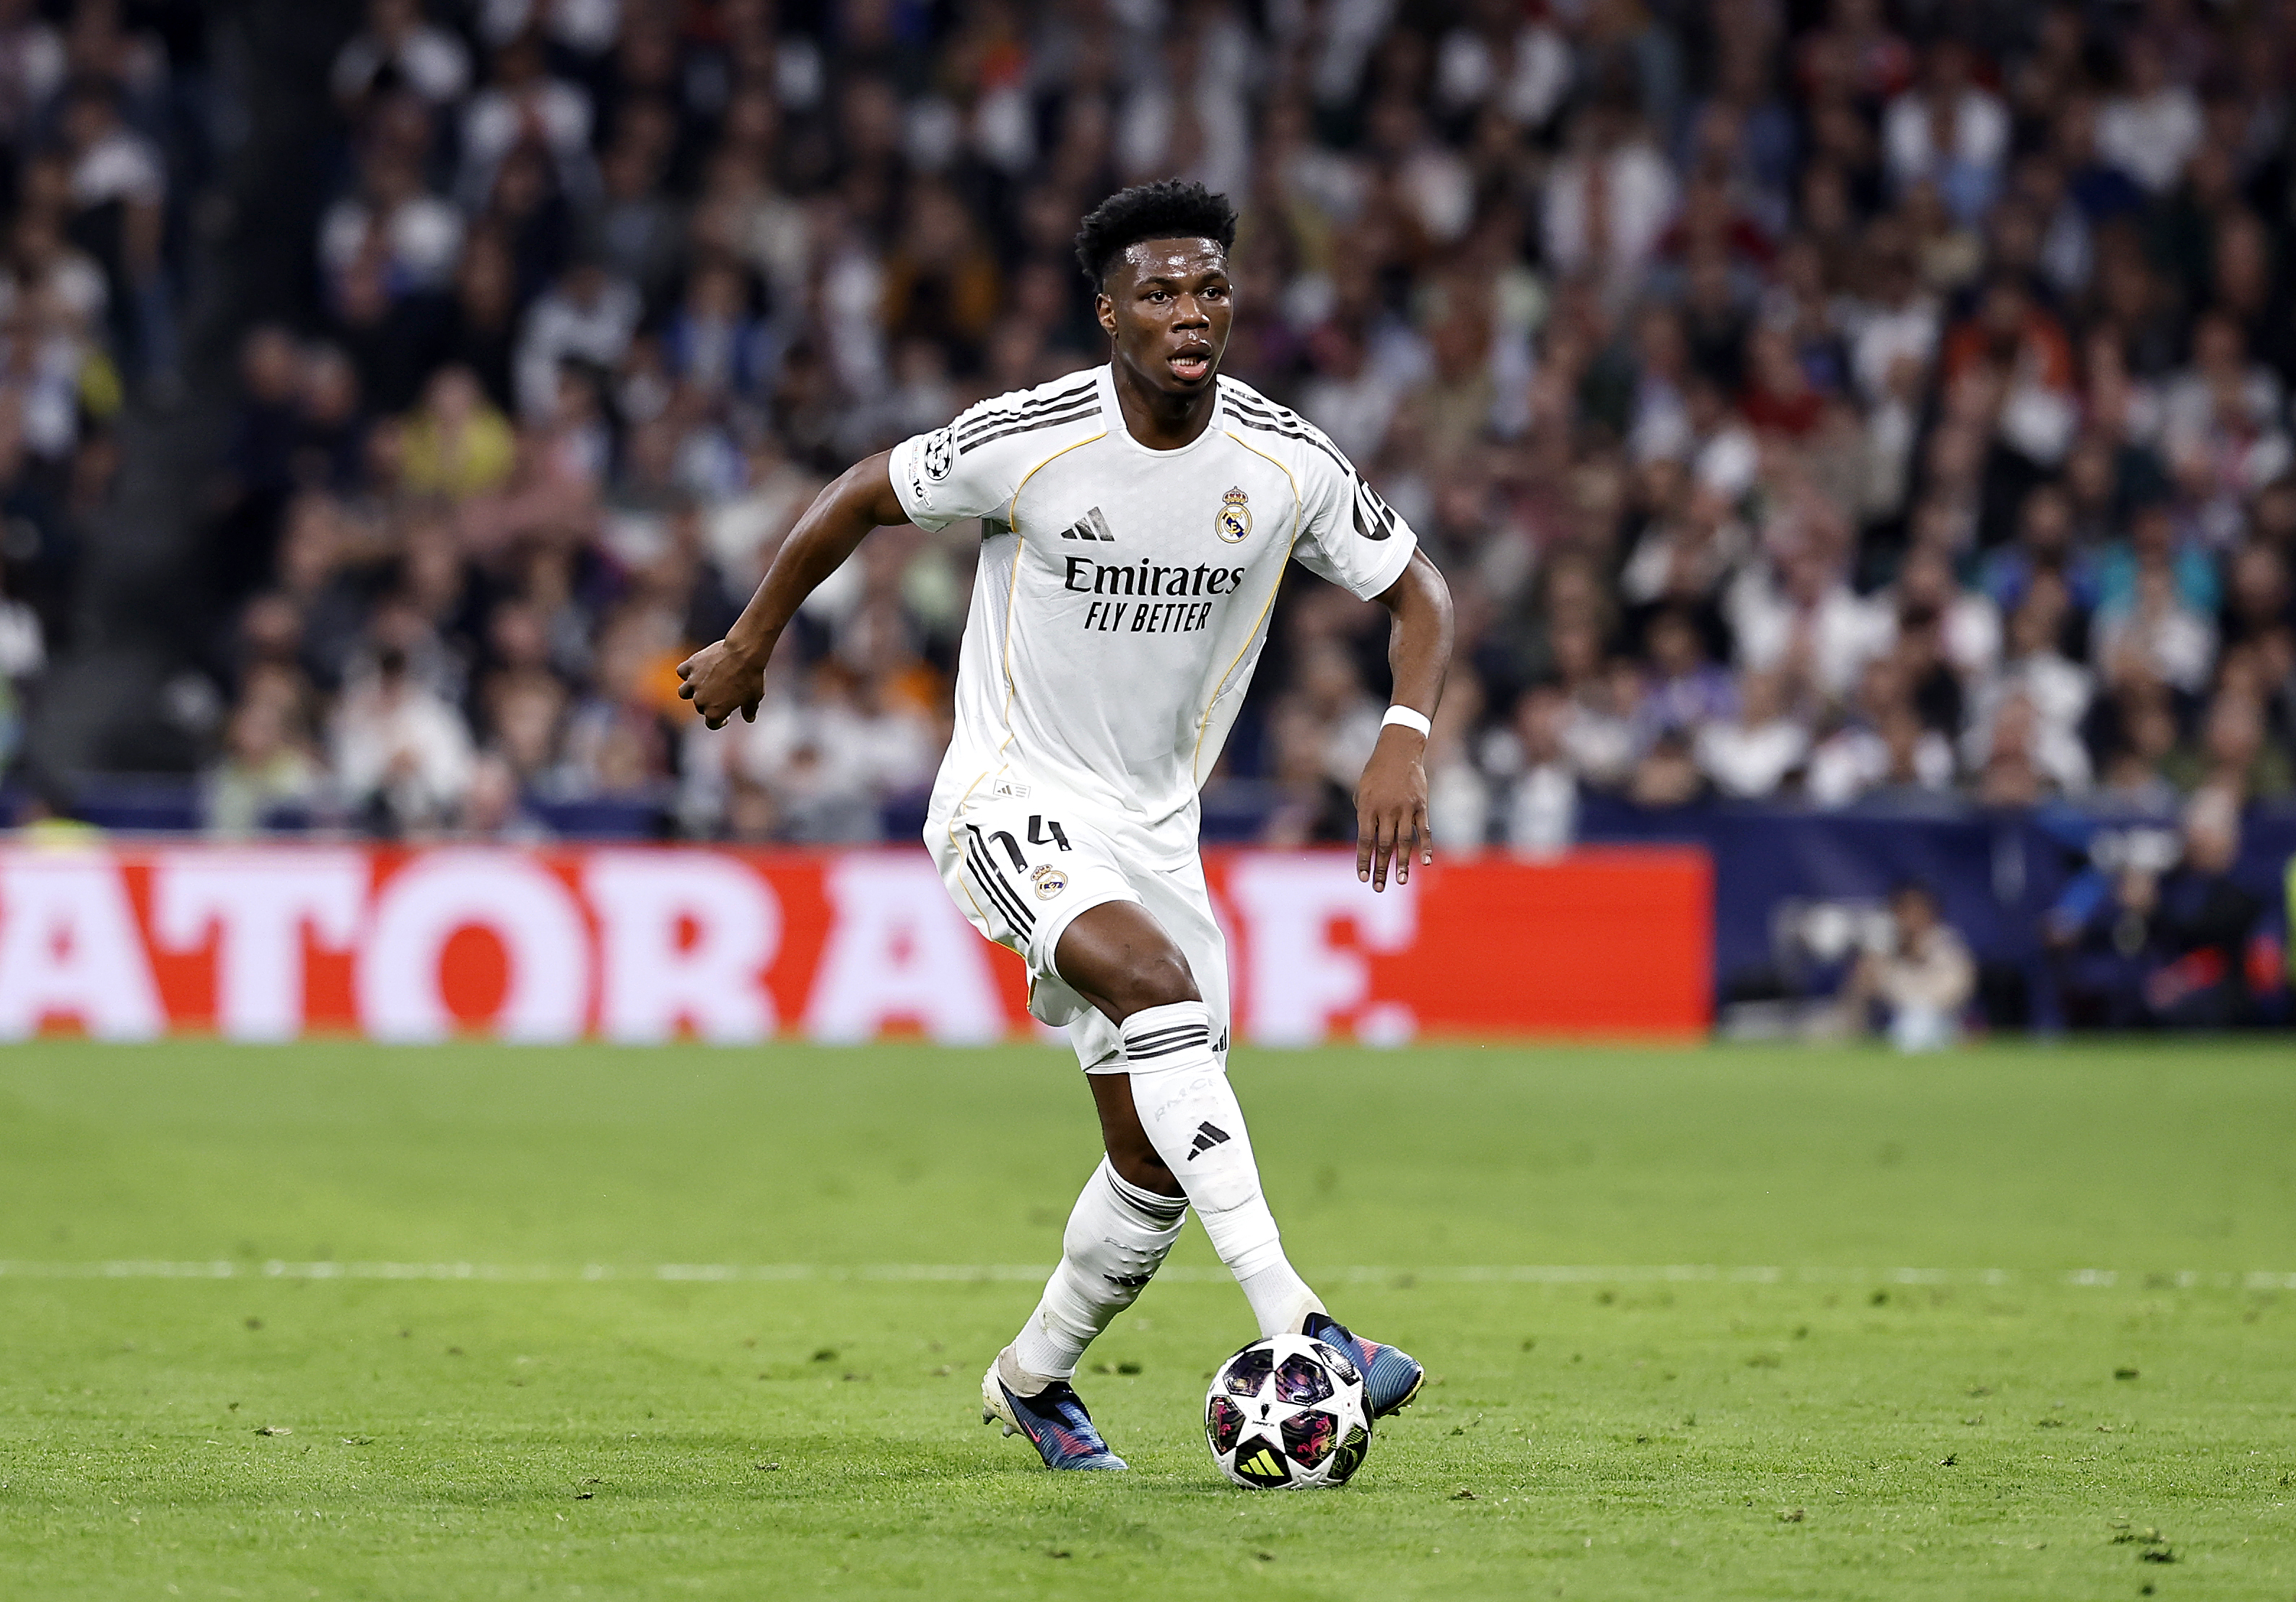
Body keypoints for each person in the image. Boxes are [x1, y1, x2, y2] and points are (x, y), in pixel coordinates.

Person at [677, 181, 1452, 1471]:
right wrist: (752, 641)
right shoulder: (1032, 438)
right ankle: (1309, 1327)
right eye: (1158, 293)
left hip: (1155, 826)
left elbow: (1418, 592)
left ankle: (1033, 1379)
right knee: (1154, 994)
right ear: (1110, 315)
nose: (1189, 312)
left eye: (1208, 288)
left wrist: (1403, 734)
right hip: (1011, 797)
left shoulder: (1282, 460)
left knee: (1151, 1166)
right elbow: (864, 492)